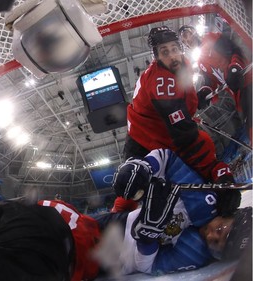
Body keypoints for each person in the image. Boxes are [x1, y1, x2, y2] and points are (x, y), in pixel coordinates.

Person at [92, 148, 250, 276]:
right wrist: (144, 167)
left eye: (215, 244)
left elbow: (147, 267)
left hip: (117, 261)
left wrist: (147, 241)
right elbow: (167, 159)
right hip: (119, 222)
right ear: (231, 215)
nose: (210, 236)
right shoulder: (204, 200)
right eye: (220, 229)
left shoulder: (195, 255)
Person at [124, 25, 232, 188]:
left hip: (158, 129)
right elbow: (183, 132)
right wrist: (211, 170)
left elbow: (183, 97)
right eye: (165, 52)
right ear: (157, 57)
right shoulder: (160, 81)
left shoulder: (184, 64)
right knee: (136, 187)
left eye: (175, 49)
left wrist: (199, 95)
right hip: (143, 141)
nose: (173, 56)